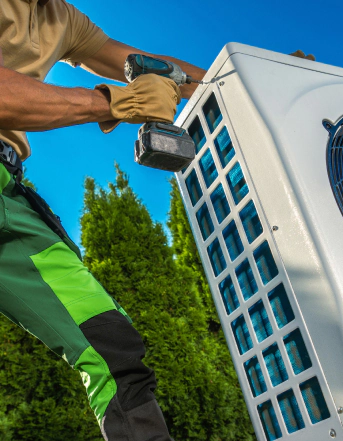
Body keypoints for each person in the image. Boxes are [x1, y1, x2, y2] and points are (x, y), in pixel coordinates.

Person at [0, 1, 205, 440]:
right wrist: (115, 102)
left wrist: (247, 78)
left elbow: (156, 67)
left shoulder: (62, 18)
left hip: (9, 195)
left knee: (109, 344)